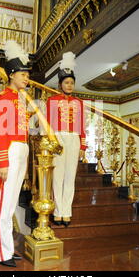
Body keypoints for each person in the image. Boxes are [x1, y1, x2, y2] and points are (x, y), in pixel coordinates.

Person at [0, 41, 31, 267]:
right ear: (12, 75)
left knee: (11, 203)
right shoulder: (2, 99)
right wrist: (3, 161)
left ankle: (7, 247)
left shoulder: (21, 100)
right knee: (2, 204)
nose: (26, 79)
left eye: (27, 75)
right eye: (23, 75)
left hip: (21, 151)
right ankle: (0, 252)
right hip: (10, 151)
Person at [46, 52, 87, 227]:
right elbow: (47, 124)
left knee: (70, 177)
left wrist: (83, 145)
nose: (69, 85)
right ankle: (57, 212)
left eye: (71, 83)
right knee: (58, 176)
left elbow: (82, 124)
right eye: (66, 82)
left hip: (74, 139)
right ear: (60, 84)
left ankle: (66, 212)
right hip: (59, 137)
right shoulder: (52, 101)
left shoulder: (79, 102)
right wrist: (52, 141)